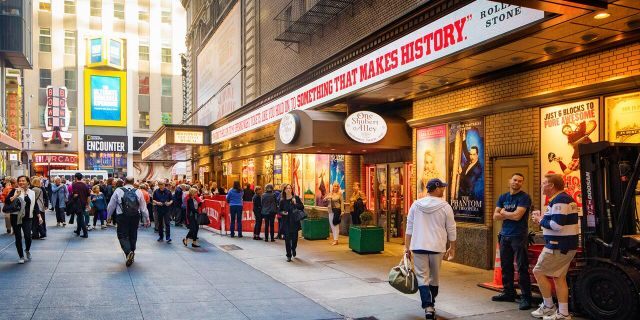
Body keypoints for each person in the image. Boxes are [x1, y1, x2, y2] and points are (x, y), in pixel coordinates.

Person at [405, 178, 457, 320]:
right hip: (437, 247)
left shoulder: (416, 205)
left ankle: (428, 307)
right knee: (435, 277)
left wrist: (407, 247)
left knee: (422, 277)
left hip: (418, 246)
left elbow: (409, 228)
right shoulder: (445, 206)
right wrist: (452, 247)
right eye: (442, 188)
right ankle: (431, 304)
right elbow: (451, 228)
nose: (444, 190)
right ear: (437, 188)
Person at [530, 174, 578, 320]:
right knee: (559, 278)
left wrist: (539, 220)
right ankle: (563, 313)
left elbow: (557, 225)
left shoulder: (560, 200)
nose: (541, 185)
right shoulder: (561, 199)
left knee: (538, 272)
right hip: (564, 246)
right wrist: (543, 218)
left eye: (544, 183)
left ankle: (549, 306)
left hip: (558, 247)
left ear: (551, 186)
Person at [491, 173, 533, 310]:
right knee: (506, 266)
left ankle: (526, 297)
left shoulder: (524, 197)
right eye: (515, 180)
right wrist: (506, 214)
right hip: (504, 235)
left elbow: (517, 216)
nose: (517, 183)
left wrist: (504, 213)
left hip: (519, 236)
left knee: (522, 267)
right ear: (510, 181)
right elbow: (495, 216)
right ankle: (508, 292)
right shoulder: (503, 197)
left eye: (520, 181)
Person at [107, 176, 150, 267]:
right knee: (133, 234)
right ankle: (132, 253)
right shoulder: (138, 191)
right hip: (135, 216)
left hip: (122, 216)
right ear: (133, 182)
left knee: (122, 235)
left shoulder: (118, 190)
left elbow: (111, 205)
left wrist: (108, 216)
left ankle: (128, 252)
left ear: (124, 182)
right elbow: (143, 207)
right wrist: (147, 218)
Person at [6, 176, 37, 264]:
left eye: (23, 181)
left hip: (27, 217)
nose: (21, 182)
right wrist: (16, 195)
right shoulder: (14, 190)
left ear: (28, 182)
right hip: (16, 217)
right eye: (19, 181)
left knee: (28, 236)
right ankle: (21, 256)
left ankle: (27, 250)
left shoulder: (32, 192)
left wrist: (39, 215)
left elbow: (34, 205)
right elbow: (7, 201)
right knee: (18, 237)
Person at [279, 183, 304, 262]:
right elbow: (279, 211)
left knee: (294, 239)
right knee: (287, 239)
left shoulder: (295, 198)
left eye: (290, 188)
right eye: (287, 188)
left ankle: (293, 248)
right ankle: (288, 255)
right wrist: (283, 213)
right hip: (286, 222)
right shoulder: (282, 200)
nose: (289, 190)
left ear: (292, 190)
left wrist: (295, 203)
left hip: (294, 221)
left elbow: (302, 207)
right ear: (285, 190)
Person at [458, 131, 482, 199]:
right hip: (462, 194)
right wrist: (463, 139)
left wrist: (460, 173)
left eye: (474, 154)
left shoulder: (478, 168)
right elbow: (465, 150)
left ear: (477, 155)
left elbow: (468, 181)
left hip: (469, 196)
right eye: (470, 154)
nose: (471, 156)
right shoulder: (469, 161)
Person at [71, 173, 91, 238]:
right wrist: (88, 204)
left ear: (76, 178)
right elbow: (88, 196)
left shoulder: (74, 185)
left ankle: (85, 233)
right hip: (83, 203)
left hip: (77, 203)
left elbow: (75, 195)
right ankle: (78, 230)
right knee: (80, 217)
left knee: (80, 217)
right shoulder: (85, 185)